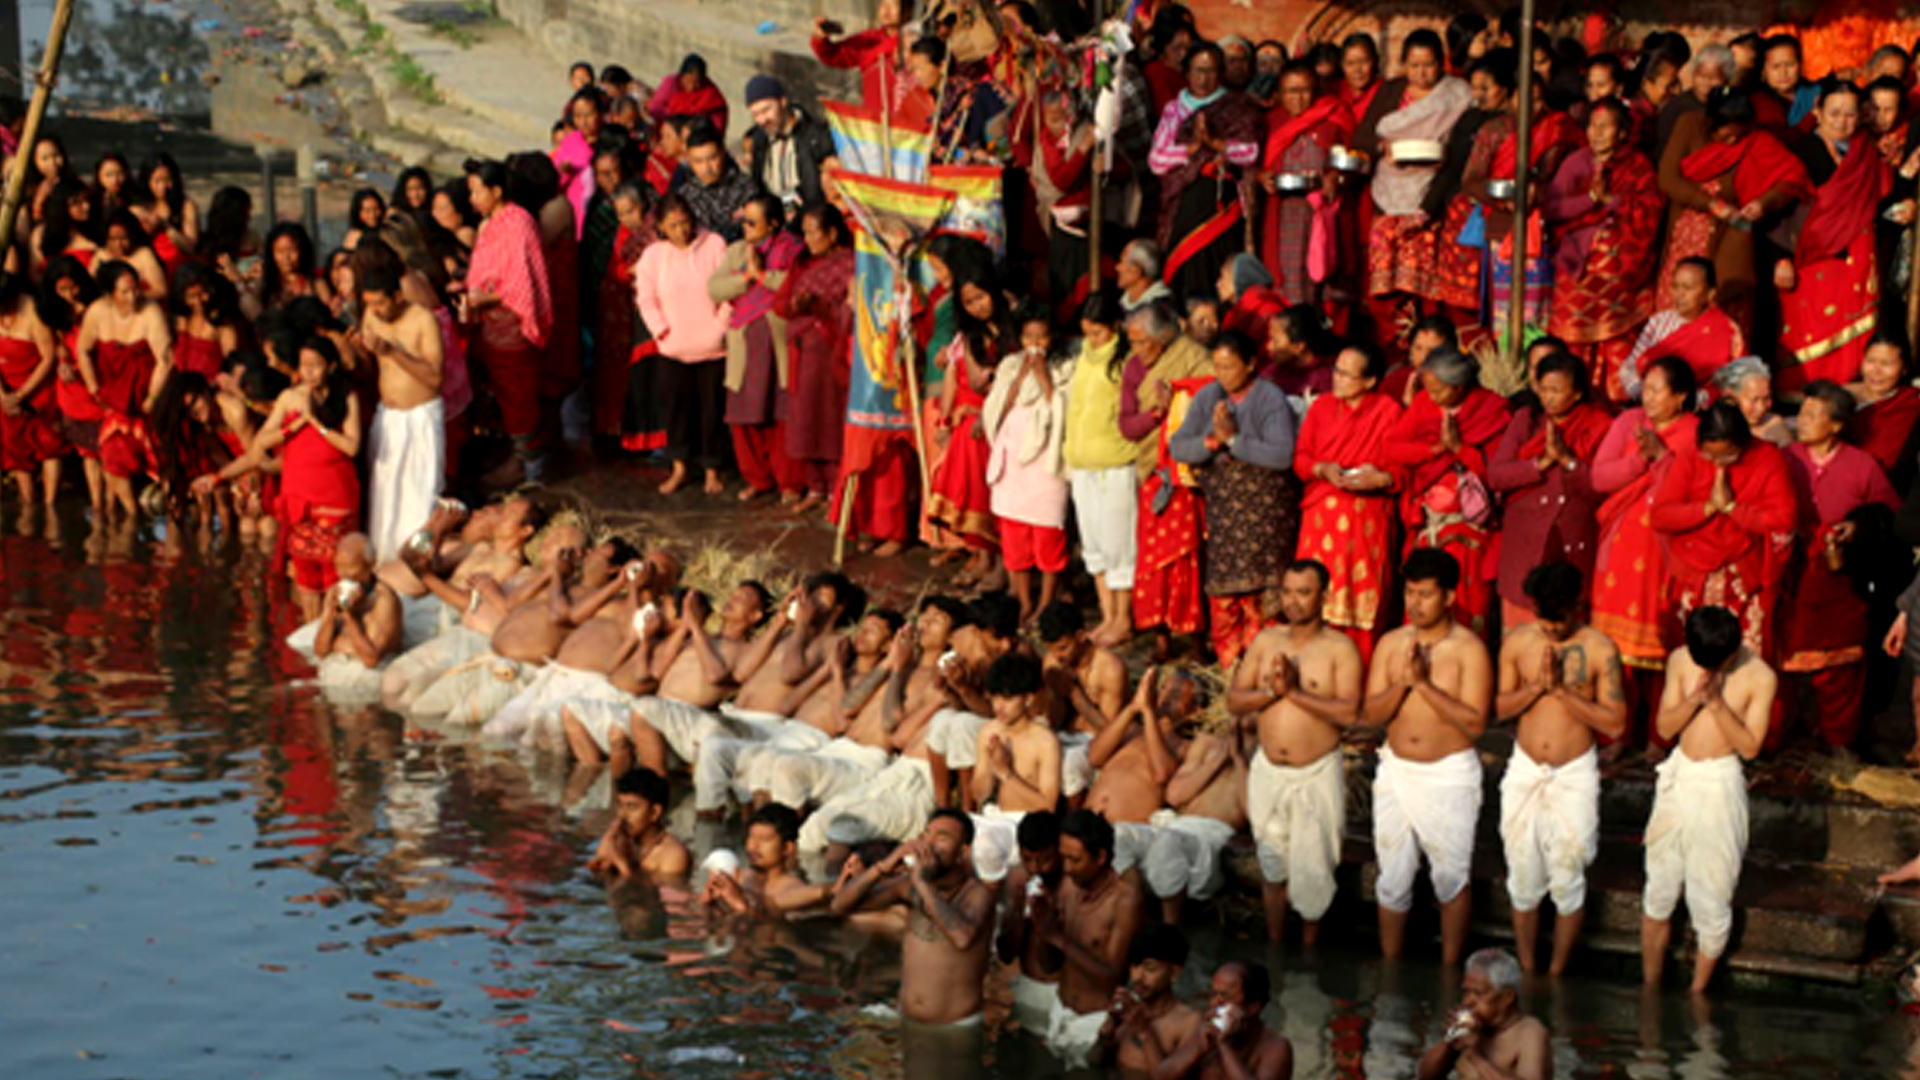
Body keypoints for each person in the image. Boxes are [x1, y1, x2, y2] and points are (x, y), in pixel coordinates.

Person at [1494, 563, 1626, 976]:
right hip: (1526, 769)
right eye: (1543, 619)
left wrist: (1563, 691)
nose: (1551, 630)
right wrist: (1537, 687)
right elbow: (1496, 710)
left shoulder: (1601, 649)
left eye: (1560, 619)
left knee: (1569, 877)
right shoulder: (1516, 643)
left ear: (1577, 605)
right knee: (1523, 875)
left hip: (1573, 773)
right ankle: (1529, 969)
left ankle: (1557, 974)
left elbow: (1615, 723)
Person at [1362, 549, 1493, 964]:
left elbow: (1475, 724)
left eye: (1425, 594)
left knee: (1451, 878)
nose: (1415, 603)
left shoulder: (1468, 650)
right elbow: (1371, 714)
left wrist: (1424, 685)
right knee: (1392, 878)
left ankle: (1452, 974)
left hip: (1449, 774)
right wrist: (1401, 684)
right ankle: (1390, 969)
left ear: (1450, 597)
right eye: (1410, 593)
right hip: (1396, 769)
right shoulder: (1390, 644)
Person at [1643, 606, 1776, 993]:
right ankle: (1651, 989)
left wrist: (1717, 704)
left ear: (1734, 651)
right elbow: (1665, 727)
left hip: (1720, 783)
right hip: (1679, 775)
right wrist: (1694, 699)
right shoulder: (1680, 661)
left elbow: (1751, 747)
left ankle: (1697, 994)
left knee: (1712, 897)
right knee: (1658, 892)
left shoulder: (1760, 677)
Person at [1230, 560, 1362, 946]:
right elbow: (1235, 699)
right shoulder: (1265, 641)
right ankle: (1275, 949)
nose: (1293, 601)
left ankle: (1308, 955)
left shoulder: (1340, 648)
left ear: (1324, 596)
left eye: (1303, 592)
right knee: (1272, 866)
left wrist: (1296, 694)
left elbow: (1350, 713)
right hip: (1269, 770)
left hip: (1316, 771)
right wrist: (1271, 692)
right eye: (1287, 591)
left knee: (1314, 871)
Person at [203, 337, 361, 622]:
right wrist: (296, 425)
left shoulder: (346, 397)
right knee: (305, 574)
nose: (309, 372)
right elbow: (262, 441)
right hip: (299, 494)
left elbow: (352, 446)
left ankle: (334, 633)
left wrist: (317, 423)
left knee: (334, 573)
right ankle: (314, 638)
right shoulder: (290, 398)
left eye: (316, 365)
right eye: (304, 366)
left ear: (332, 366)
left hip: (334, 493)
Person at [1169, 331, 1301, 667]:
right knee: (1225, 596)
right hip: (1226, 516)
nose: (1222, 374)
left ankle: (1266, 669)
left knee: (1264, 599)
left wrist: (1235, 442)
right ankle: (1231, 672)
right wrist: (1210, 443)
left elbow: (1282, 455)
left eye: (1229, 366)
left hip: (1264, 516)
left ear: (1251, 364)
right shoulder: (1208, 396)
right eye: (1218, 366)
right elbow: (1179, 445)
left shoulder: (1270, 399)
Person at [1779, 380, 1898, 753]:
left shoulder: (1862, 466)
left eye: (1814, 415)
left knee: (1840, 671)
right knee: (1782, 665)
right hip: (1791, 576)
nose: (1803, 420)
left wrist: (1857, 528)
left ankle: (1840, 741)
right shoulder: (1784, 458)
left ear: (1836, 425)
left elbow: (1888, 514)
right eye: (1802, 411)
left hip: (1839, 580)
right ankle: (1777, 739)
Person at [1591, 358, 1700, 743]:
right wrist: (1641, 458)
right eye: (1646, 388)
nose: (1648, 397)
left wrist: (1663, 457)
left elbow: (1693, 490)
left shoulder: (1695, 434)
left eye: (1657, 390)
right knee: (1614, 652)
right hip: (1620, 548)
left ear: (1681, 396)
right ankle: (1614, 735)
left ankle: (1659, 737)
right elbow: (1599, 477)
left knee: (1661, 645)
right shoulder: (1628, 422)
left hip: (1664, 552)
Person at [1650, 400, 1797, 662]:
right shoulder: (1690, 455)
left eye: (1728, 456)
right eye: (1710, 456)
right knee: (1688, 662)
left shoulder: (1768, 459)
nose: (1718, 465)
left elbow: (1783, 521)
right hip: (1692, 574)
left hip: (1744, 576)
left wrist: (1732, 508)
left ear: (1744, 443)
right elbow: (1661, 516)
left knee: (1745, 663)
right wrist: (1707, 508)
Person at [1657, 90, 1809, 336]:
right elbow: (1668, 178)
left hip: (1731, 242)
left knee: (1727, 320)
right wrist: (1711, 204)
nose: (1731, 142)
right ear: (1712, 124)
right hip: (1687, 240)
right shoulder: (1690, 125)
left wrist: (1762, 203)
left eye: (1738, 136)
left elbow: (1791, 178)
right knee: (1679, 309)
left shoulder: (1757, 140)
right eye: (1725, 135)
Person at [1381, 347, 1510, 638]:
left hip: (1470, 532)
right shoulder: (1424, 403)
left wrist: (1460, 450)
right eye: (1429, 388)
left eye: (1439, 390)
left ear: (1459, 386)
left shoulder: (1491, 409)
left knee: (1466, 606)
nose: (1432, 395)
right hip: (1428, 527)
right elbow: (1391, 448)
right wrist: (1434, 450)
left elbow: (1495, 473)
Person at [1545, 97, 1666, 401]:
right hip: (1577, 268)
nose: (1596, 133)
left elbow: (1649, 208)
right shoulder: (1576, 162)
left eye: (1605, 126)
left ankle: (1618, 395)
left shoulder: (1637, 166)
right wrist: (1591, 200)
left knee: (1619, 339)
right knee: (1575, 342)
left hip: (1618, 271)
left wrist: (1613, 203)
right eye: (1592, 126)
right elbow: (1553, 207)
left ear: (1623, 133)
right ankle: (1572, 392)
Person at [1359, 30, 1473, 347]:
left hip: (1431, 194)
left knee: (1424, 286)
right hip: (1388, 194)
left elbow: (1464, 145)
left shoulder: (1457, 94)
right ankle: (1394, 349)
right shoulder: (1390, 92)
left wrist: (1443, 165)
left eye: (1429, 65)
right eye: (1414, 65)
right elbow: (1363, 138)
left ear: (1442, 64)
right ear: (1404, 65)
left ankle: (1429, 346)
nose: (1422, 73)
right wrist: (1382, 147)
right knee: (1386, 286)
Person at [829, 808, 996, 1024]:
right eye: (926, 835)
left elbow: (962, 938)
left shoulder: (977, 893)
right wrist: (883, 867)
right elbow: (839, 906)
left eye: (942, 837)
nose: (929, 844)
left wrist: (922, 883)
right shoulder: (908, 887)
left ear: (964, 852)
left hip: (954, 1030)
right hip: (908, 1021)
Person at [1776, 82, 1890, 395]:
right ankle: (1802, 398)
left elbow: (1880, 197)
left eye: (1851, 115)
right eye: (1835, 113)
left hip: (1856, 255)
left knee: (1855, 332)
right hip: (1809, 255)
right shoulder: (1799, 152)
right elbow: (1780, 209)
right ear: (1817, 112)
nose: (1843, 122)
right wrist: (1780, 257)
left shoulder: (1864, 152)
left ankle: (1848, 393)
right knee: (1808, 327)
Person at [1292, 343, 1401, 663]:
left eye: (1346, 374)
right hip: (1320, 518)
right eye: (1336, 371)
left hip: (1364, 522)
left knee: (1359, 603)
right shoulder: (1322, 407)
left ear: (1369, 381)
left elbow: (1401, 468)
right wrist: (1321, 469)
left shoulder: (1388, 411)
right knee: (1314, 594)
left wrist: (1379, 478)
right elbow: (1300, 460)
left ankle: (1358, 676)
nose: (1336, 379)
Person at [1488, 352, 1611, 627]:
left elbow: (1602, 487)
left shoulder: (1598, 427)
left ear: (1578, 393)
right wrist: (1540, 464)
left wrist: (1567, 461)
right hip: (1524, 539)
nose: (1549, 397)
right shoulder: (1527, 421)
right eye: (1543, 389)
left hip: (1571, 539)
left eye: (1557, 390)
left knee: (1565, 630)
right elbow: (1496, 475)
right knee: (1520, 634)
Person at [1122, 304, 1213, 657]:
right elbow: (1127, 426)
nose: (1137, 350)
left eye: (1143, 342)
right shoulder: (1133, 368)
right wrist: (1157, 413)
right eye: (1131, 342)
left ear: (1164, 337)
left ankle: (1195, 639)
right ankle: (1160, 636)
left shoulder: (1192, 357)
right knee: (1153, 561)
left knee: (1189, 557)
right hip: (1151, 472)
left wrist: (1180, 397)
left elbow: (1210, 395)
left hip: (1186, 475)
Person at [462, 159, 552, 483]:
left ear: (496, 191)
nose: (472, 199)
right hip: (488, 324)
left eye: (476, 191)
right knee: (498, 392)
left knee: (519, 394)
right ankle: (514, 457)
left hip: (511, 323)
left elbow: (521, 281)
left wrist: (487, 298)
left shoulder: (518, 223)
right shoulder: (491, 223)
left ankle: (531, 467)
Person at [636, 192, 731, 496]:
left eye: (685, 223)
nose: (681, 231)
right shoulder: (653, 256)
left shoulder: (714, 244)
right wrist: (662, 332)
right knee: (676, 410)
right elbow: (646, 298)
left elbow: (730, 290)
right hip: (673, 348)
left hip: (713, 346)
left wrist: (720, 328)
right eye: (673, 225)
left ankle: (712, 470)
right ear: (661, 227)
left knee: (711, 410)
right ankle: (679, 467)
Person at [1150, 43, 1263, 300]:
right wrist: (1193, 149)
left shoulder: (1238, 107)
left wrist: (1217, 145)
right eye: (1198, 71)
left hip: (1221, 203)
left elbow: (1250, 152)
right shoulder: (1174, 109)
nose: (1204, 78)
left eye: (1211, 71)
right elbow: (1157, 160)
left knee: (1217, 268)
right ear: (1187, 73)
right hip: (1183, 202)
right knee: (1185, 265)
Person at [710, 195, 801, 501]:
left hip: (777, 347)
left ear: (773, 224)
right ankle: (757, 478)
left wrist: (764, 275)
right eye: (743, 221)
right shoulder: (737, 251)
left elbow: (796, 284)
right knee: (744, 415)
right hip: (744, 345)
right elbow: (714, 288)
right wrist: (746, 277)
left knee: (780, 413)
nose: (745, 227)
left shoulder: (792, 250)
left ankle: (788, 482)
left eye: (752, 222)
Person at [1037, 808, 1143, 1069]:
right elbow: (1048, 966)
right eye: (1063, 858)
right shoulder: (1067, 885)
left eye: (1075, 860)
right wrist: (1042, 928)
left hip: (1096, 1022)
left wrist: (1058, 938)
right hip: (1060, 1011)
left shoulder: (1126, 900)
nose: (1067, 868)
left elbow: (1113, 974)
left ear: (1101, 857)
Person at [1065, 295, 1142, 647]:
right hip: (1083, 462)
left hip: (1115, 463)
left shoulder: (1127, 361)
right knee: (1094, 545)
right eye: (1087, 333)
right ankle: (1107, 614)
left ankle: (1123, 618)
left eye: (1098, 333)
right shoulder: (1083, 355)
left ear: (1115, 327)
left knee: (1119, 545)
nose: (1092, 340)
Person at [356, 263, 444, 562]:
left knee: (419, 501)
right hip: (389, 418)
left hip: (421, 418)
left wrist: (393, 351)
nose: (376, 310)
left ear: (398, 296)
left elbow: (435, 378)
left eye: (380, 302)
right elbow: (371, 366)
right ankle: (385, 574)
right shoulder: (371, 316)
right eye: (370, 303)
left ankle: (417, 575)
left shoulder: (424, 321)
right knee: (384, 502)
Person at [770, 201, 854, 511]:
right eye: (803, 234)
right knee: (805, 419)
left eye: (813, 233)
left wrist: (828, 311)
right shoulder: (802, 263)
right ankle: (815, 487)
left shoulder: (851, 263)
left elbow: (853, 307)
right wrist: (799, 304)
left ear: (832, 233)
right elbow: (781, 305)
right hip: (803, 352)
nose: (808, 241)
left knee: (829, 420)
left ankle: (835, 488)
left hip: (832, 350)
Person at [76, 259, 172, 519]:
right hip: (112, 398)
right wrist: (93, 387)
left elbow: (165, 359)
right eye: (125, 292)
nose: (133, 296)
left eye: (136, 289)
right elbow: (83, 350)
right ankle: (131, 515)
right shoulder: (97, 312)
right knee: (112, 454)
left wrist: (152, 397)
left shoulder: (151, 311)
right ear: (111, 294)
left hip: (147, 398)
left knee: (161, 460)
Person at [928, 279, 1008, 577]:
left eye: (980, 298)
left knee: (986, 494)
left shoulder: (1006, 333)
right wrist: (946, 420)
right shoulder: (966, 337)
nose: (978, 307)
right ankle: (982, 559)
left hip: (989, 419)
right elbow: (952, 377)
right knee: (967, 490)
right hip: (964, 421)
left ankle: (998, 563)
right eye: (970, 303)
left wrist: (978, 411)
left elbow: (987, 383)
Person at [1259, 61, 1353, 308]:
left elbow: (1353, 159)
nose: (1298, 98)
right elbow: (1252, 166)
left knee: (1325, 279)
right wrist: (1262, 177)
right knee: (1290, 281)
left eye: (1304, 90)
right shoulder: (1270, 122)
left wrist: (1335, 176)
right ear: (1279, 93)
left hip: (1323, 212)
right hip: (1284, 214)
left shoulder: (1332, 118)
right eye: (1291, 91)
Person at [1618, 257, 1745, 401]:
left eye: (1688, 288)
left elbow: (1737, 381)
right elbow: (1630, 366)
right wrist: (1641, 392)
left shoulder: (1725, 330)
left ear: (1710, 294)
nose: (1679, 294)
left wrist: (1692, 399)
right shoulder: (1659, 322)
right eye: (1675, 286)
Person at [1416, 949, 1550, 1080]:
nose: (1468, 1001)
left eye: (1479, 993)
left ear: (1507, 997)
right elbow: (1425, 1076)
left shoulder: (1530, 1033)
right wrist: (1449, 1042)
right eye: (1466, 992)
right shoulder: (1471, 1029)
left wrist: (1475, 1056)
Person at [1150, 961, 1293, 1080]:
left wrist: (1224, 1046)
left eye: (1224, 997)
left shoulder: (1276, 1047)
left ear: (1252, 1007)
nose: (1213, 1003)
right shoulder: (1205, 1033)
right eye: (1214, 995)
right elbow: (1160, 1077)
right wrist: (1199, 1047)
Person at [1092, 924, 1200, 1076]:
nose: (1138, 977)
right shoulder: (1127, 1011)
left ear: (1174, 973)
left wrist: (1144, 1032)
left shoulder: (1189, 1023)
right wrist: (1107, 1033)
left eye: (1150, 968)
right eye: (1135, 966)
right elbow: (1094, 1064)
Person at [311, 533, 404, 700]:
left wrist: (348, 615)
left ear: (371, 564)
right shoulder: (334, 592)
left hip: (367, 679)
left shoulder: (384, 599)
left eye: (351, 568)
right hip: (335, 670)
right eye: (339, 567)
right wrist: (333, 614)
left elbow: (371, 659)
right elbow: (320, 650)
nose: (344, 575)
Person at [0, 273, 64, 508]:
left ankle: (50, 504)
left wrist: (21, 395)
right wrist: (4, 396)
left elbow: (48, 357)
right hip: (6, 390)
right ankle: (27, 503)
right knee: (13, 446)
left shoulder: (32, 311)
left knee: (49, 446)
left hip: (38, 387)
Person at [706, 804, 837, 918]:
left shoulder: (790, 889)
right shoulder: (742, 876)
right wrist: (707, 901)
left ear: (787, 848)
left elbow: (825, 892)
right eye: (751, 838)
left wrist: (739, 903)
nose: (753, 846)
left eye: (764, 839)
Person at [744, 75, 837, 215]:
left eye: (766, 110)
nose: (762, 120)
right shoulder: (759, 140)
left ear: (783, 101)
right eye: (756, 114)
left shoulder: (815, 136)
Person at [587, 767, 693, 880]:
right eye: (620, 805)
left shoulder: (673, 855)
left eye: (632, 807)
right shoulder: (617, 841)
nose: (622, 815)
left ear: (654, 812)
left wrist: (620, 863)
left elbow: (655, 896)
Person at [1849, 335, 1920, 489]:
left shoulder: (1910, 403)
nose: (1876, 371)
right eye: (1871, 361)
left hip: (1885, 491)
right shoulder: (1841, 396)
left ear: (1904, 369)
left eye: (1886, 364)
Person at [675, 124, 758, 243]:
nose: (706, 168)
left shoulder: (745, 187)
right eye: (698, 161)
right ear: (688, 160)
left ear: (723, 153)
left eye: (712, 158)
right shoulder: (684, 197)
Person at [648, 53, 729, 136]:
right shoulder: (672, 84)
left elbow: (718, 124)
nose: (692, 87)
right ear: (682, 76)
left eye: (697, 83)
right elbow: (655, 109)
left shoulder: (711, 95)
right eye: (689, 81)